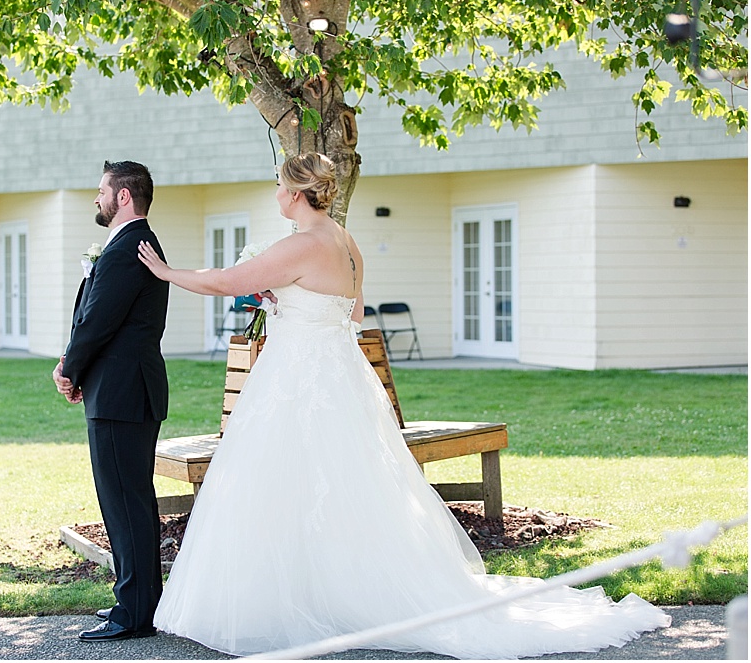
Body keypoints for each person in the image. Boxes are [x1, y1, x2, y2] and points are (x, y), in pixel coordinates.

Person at [136, 152, 670, 658]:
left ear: (297, 193)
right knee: (341, 486)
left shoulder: (301, 243)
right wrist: (287, 300)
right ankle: (333, 588)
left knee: (287, 481)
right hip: (335, 375)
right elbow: (349, 311)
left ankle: (304, 599)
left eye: (280, 185)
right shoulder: (344, 241)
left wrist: (166, 273)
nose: (277, 193)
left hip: (299, 380)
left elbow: (227, 282)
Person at [53, 160, 169, 642]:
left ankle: (136, 614)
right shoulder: (131, 245)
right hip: (120, 392)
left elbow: (98, 321)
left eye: (102, 190)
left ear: (123, 197)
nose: (95, 198)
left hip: (121, 397)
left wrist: (68, 368)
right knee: (127, 502)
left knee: (126, 504)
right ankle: (135, 600)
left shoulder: (127, 249)